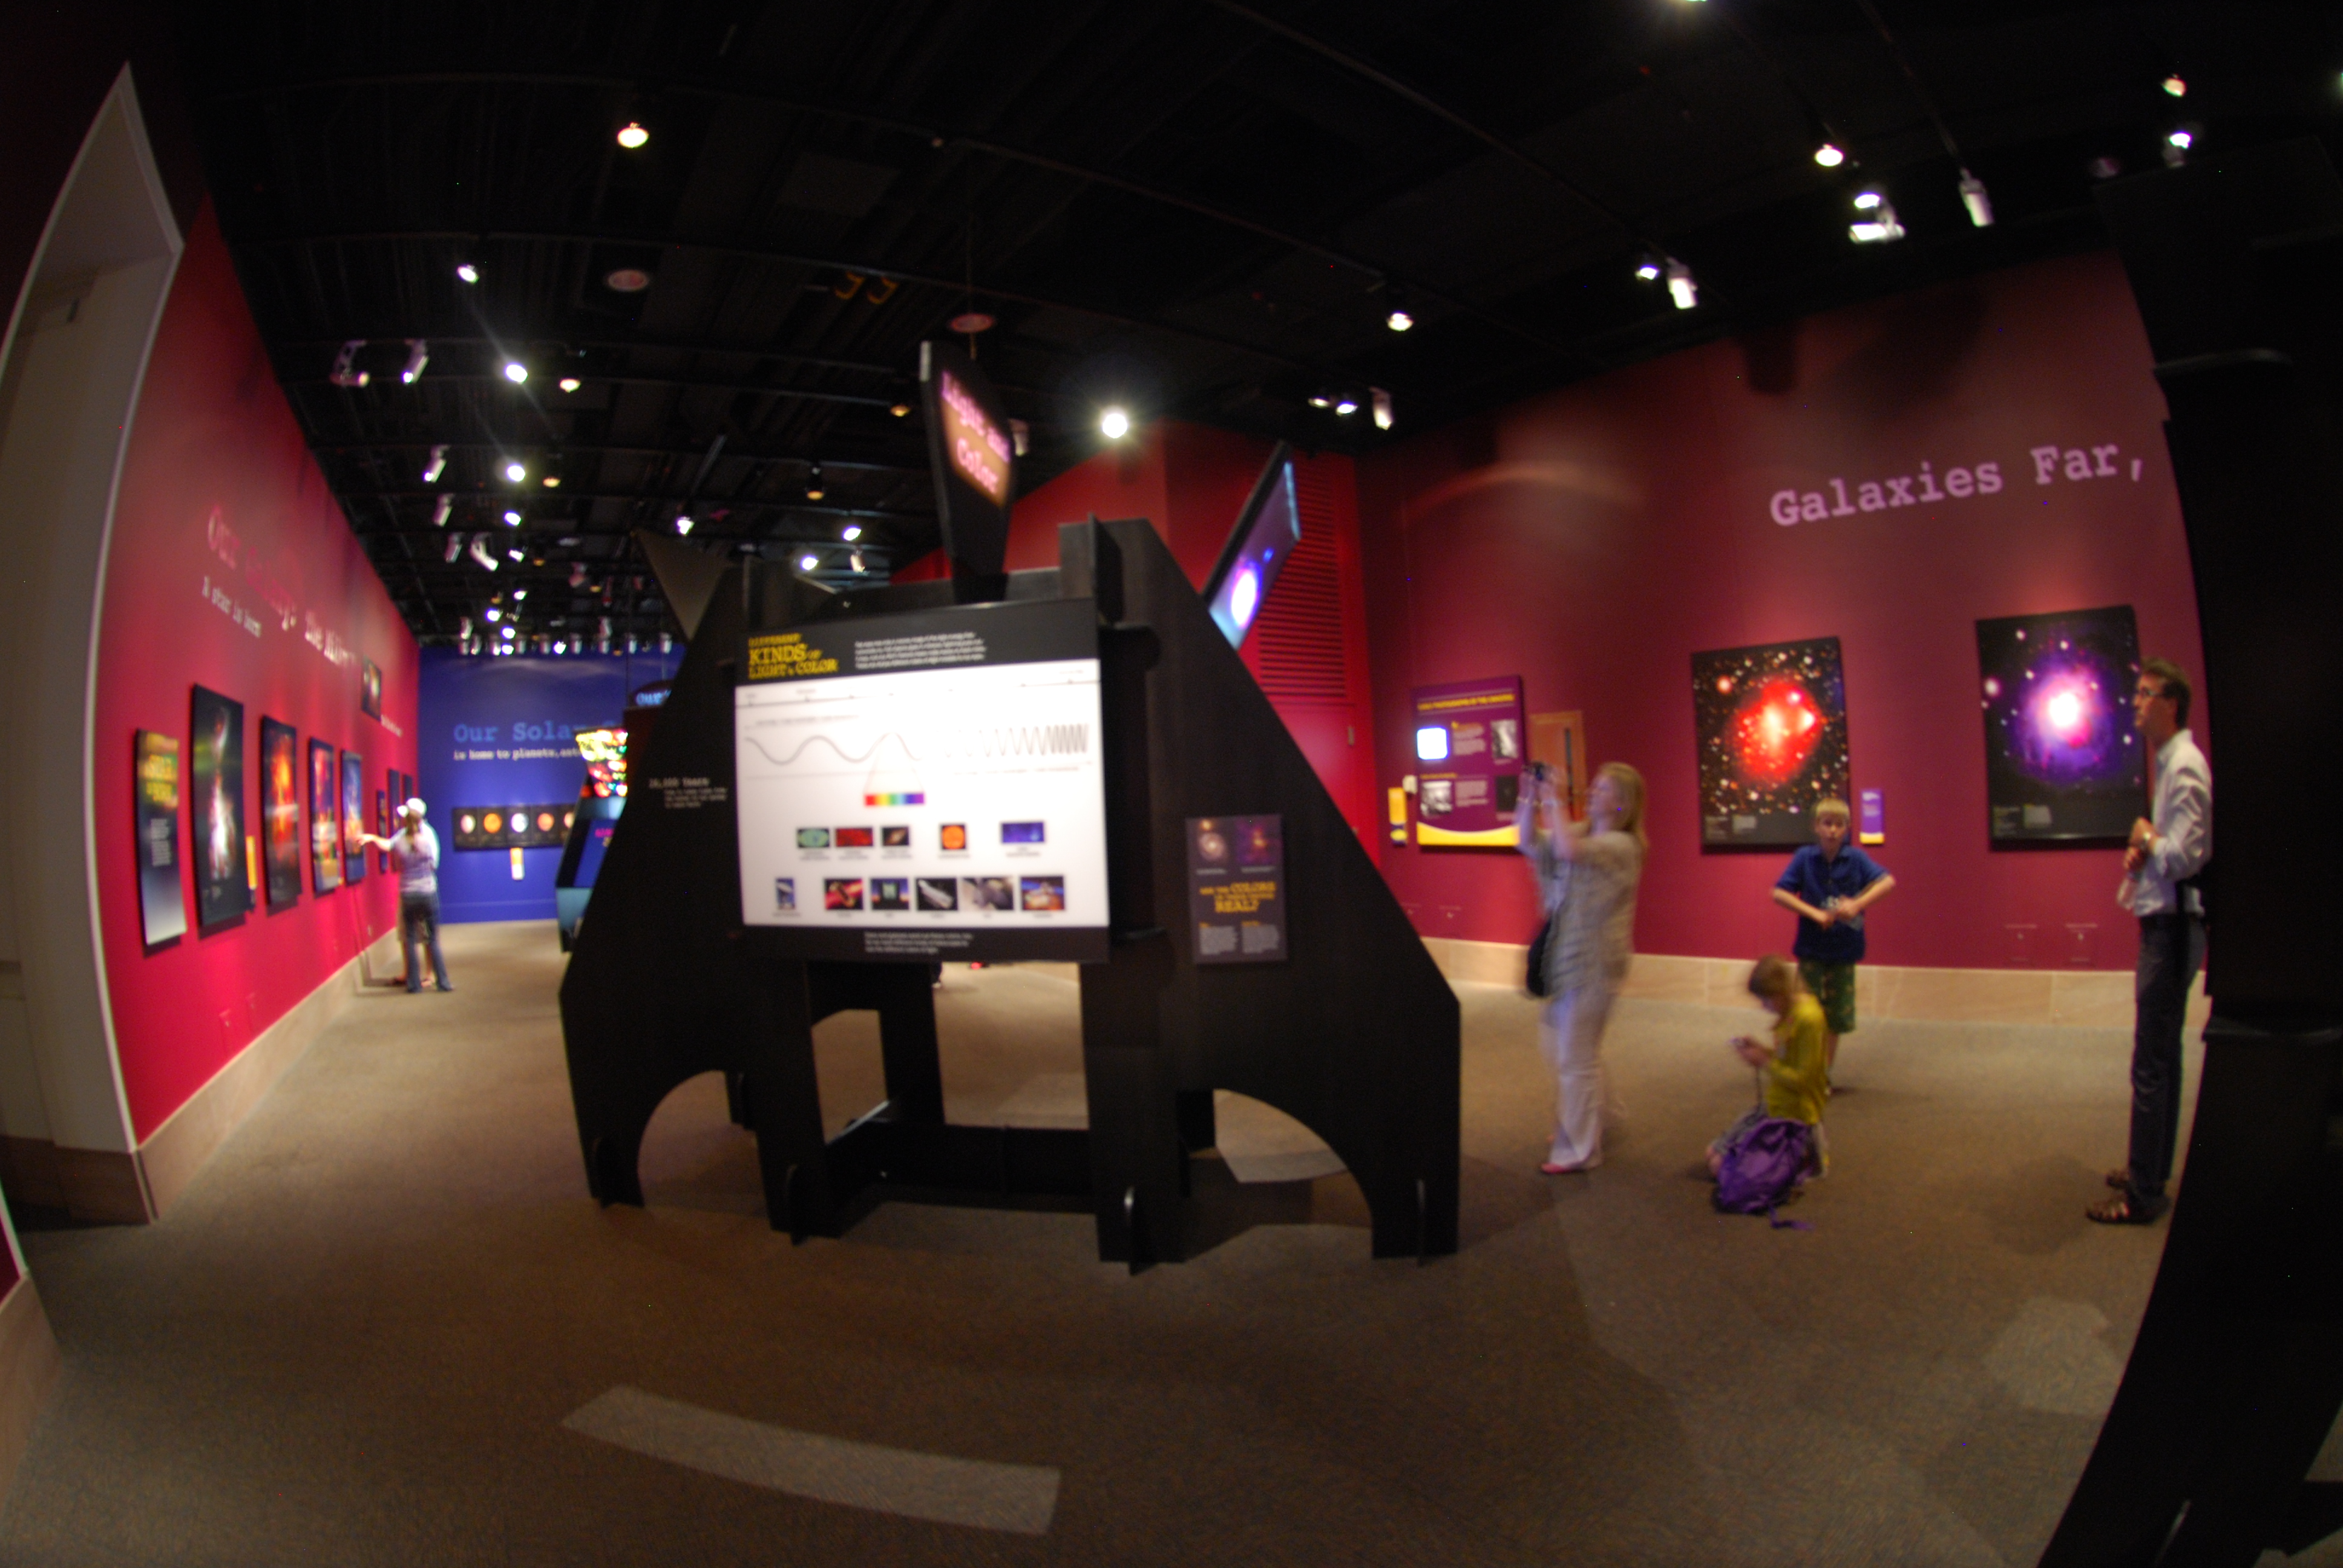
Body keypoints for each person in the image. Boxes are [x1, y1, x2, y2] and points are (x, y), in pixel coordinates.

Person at [2090, 658, 2209, 1226]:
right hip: (2169, 927)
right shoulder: (2171, 763)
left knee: (2151, 1063)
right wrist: (2148, 848)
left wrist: (2148, 838)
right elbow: (2172, 850)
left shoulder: (2184, 766)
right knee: (2162, 1057)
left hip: (2173, 931)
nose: (2135, 703)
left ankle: (2142, 1194)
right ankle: (2150, 1171)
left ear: (2171, 703)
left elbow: (2187, 856)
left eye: (2145, 693)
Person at [1516, 760, 1647, 1174]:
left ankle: (1580, 1149)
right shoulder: (1583, 832)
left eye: (1603, 789)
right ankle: (1598, 1114)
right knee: (1561, 1044)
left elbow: (1567, 851)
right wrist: (1529, 796)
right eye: (1594, 786)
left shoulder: (1623, 847)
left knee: (1575, 1055)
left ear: (1623, 804)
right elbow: (1530, 842)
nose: (1592, 792)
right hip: (1567, 956)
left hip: (1596, 963)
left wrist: (1554, 798)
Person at [1769, 798, 1895, 1086]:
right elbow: (1779, 893)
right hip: (1812, 948)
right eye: (1827, 824)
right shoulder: (1805, 858)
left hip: (1844, 948)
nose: (1833, 830)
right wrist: (1813, 913)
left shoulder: (1857, 859)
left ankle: (1822, 1074)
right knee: (1805, 1012)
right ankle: (1800, 1067)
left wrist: (1858, 904)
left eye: (1839, 824)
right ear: (1817, 826)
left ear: (1847, 828)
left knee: (1836, 1016)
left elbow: (1888, 882)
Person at [1709, 954, 1830, 1178]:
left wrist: (1764, 1062)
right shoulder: (1790, 1013)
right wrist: (1762, 1051)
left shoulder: (1809, 1019)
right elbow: (1787, 1059)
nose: (1764, 1007)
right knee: (1712, 1154)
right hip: (1775, 1105)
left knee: (1719, 1167)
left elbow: (1804, 1081)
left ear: (1780, 993)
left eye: (1766, 1000)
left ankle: (1802, 1156)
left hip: (1796, 1116)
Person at [364, 799, 452, 994]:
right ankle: (443, 982)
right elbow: (434, 864)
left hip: (408, 894)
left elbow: (392, 854)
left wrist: (371, 838)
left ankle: (413, 984)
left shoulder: (401, 839)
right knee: (433, 939)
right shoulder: (427, 838)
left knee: (410, 940)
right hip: (428, 892)